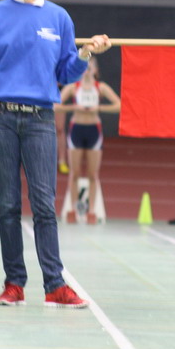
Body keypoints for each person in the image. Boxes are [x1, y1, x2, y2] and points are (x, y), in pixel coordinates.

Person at [0, 0, 112, 308]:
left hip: (40, 119)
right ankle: (14, 283)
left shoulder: (59, 18)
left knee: (44, 204)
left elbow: (65, 72)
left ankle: (55, 285)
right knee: (9, 204)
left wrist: (84, 53)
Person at [56, 57, 121, 224]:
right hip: (76, 130)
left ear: (96, 70)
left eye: (90, 67)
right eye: (85, 67)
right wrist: (73, 107)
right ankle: (72, 209)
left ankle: (91, 211)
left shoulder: (101, 87)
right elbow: (55, 105)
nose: (87, 70)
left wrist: (99, 108)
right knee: (75, 173)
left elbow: (119, 105)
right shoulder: (73, 87)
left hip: (94, 131)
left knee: (93, 174)